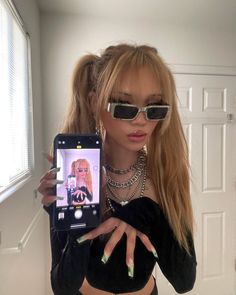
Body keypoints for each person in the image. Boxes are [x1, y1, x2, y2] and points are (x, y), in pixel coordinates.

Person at [38, 44, 197, 295]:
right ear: (94, 103)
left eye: (154, 108)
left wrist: (147, 213)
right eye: (124, 106)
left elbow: (184, 280)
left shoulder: (167, 176)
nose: (141, 120)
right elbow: (62, 286)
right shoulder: (75, 175)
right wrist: (76, 222)